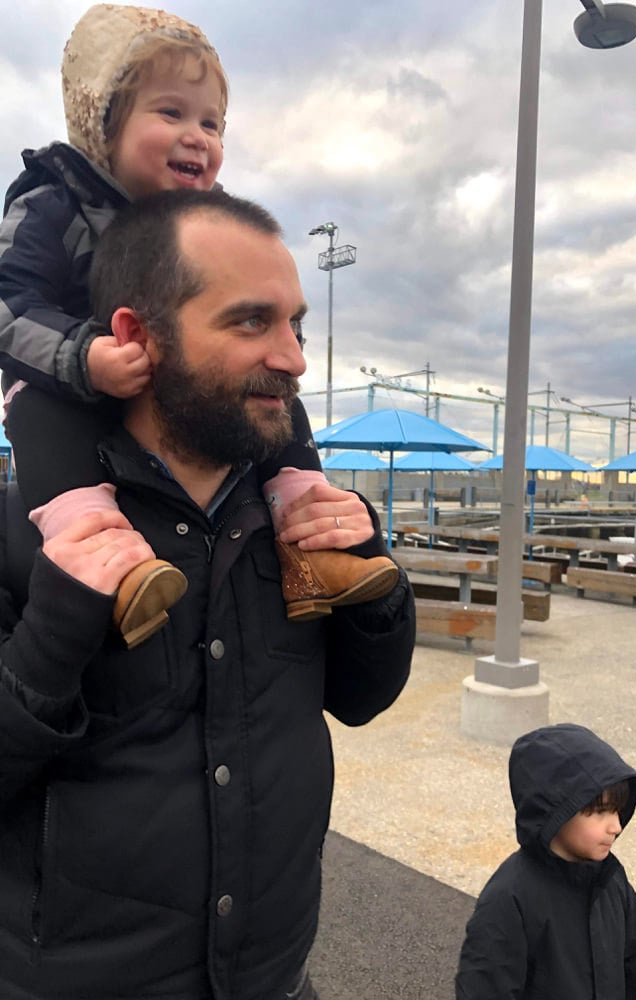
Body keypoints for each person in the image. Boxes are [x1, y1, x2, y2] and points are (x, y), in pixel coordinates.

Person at [0, 186, 416, 1000]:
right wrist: (54, 631)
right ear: (136, 337)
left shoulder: (303, 515)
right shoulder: (27, 533)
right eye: (252, 321)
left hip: (276, 980)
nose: (295, 357)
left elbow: (365, 698)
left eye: (297, 324)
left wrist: (375, 585)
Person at [0, 3, 397, 649]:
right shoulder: (52, 203)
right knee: (39, 409)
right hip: (67, 379)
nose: (199, 136)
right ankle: (109, 558)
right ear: (104, 126)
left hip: (175, 389)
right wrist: (81, 355)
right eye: (172, 113)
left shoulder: (209, 225)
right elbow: (8, 300)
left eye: (212, 122)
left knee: (265, 379)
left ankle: (306, 523)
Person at [456, 723, 636, 1000]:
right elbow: (485, 987)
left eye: (617, 811)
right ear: (557, 813)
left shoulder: (610, 879)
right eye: (600, 812)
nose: (616, 826)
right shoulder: (510, 897)